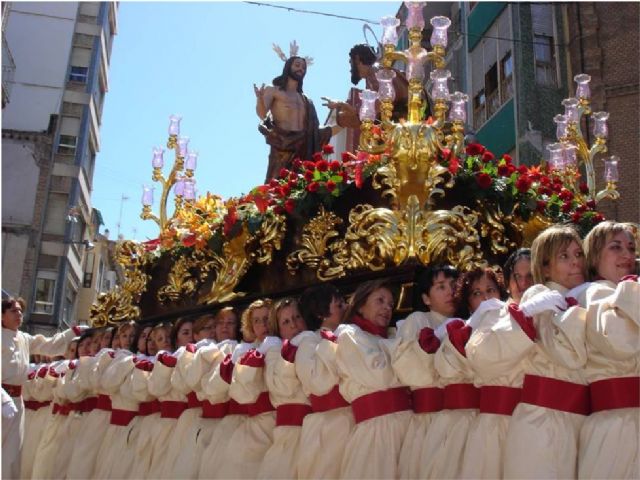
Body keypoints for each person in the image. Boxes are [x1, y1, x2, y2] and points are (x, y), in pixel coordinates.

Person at [502, 224, 589, 478]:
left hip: (580, 423)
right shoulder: (539, 295)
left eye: (578, 254)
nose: (575, 262)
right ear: (545, 266)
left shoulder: (586, 296)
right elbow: (565, 353)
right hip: (542, 424)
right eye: (564, 256)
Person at [579, 221, 639, 479]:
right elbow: (618, 341)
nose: (627, 255)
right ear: (594, 256)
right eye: (616, 247)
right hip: (615, 426)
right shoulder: (593, 293)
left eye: (631, 247)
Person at [336, 280, 412, 479]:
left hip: (408, 425)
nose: (387, 308)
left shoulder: (391, 336)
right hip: (378, 431)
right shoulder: (349, 335)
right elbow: (381, 376)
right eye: (380, 301)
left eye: (390, 303)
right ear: (361, 306)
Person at [2, 296, 84, 479]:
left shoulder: (23, 338)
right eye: (13, 311)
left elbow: (49, 345)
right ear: (2, 316)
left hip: (16, 402)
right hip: (3, 400)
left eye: (21, 311)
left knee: (12, 456)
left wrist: (73, 332)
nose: (19, 315)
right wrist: (3, 400)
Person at [390, 265, 460, 478]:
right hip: (428, 421)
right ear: (426, 298)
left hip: (462, 419)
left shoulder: (468, 320)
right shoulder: (419, 320)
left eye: (454, 285)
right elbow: (408, 369)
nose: (450, 291)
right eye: (440, 287)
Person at [216, 299, 279, 479]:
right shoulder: (245, 352)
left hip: (278, 421)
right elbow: (238, 391)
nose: (262, 325)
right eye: (256, 321)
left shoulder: (282, 345)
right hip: (254, 423)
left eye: (266, 318)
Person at [295, 284, 352, 479]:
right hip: (328, 425)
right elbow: (317, 383)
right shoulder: (308, 342)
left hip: (354, 420)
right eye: (339, 304)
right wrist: (331, 345)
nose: (346, 307)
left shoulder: (351, 334)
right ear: (321, 313)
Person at [255, 52, 340, 181]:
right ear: (288, 66)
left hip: (305, 148)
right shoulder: (273, 90)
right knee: (277, 187)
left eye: (304, 68)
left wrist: (344, 121)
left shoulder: (305, 100)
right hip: (283, 146)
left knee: (301, 188)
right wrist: (260, 100)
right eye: (297, 65)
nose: (301, 69)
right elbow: (262, 115)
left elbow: (313, 132)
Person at [258, 298, 310, 479]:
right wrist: (288, 359)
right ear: (278, 330)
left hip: (317, 430)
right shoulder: (274, 353)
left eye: (297, 317)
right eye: (286, 322)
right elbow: (281, 386)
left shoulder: (314, 342)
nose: (294, 325)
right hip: (290, 433)